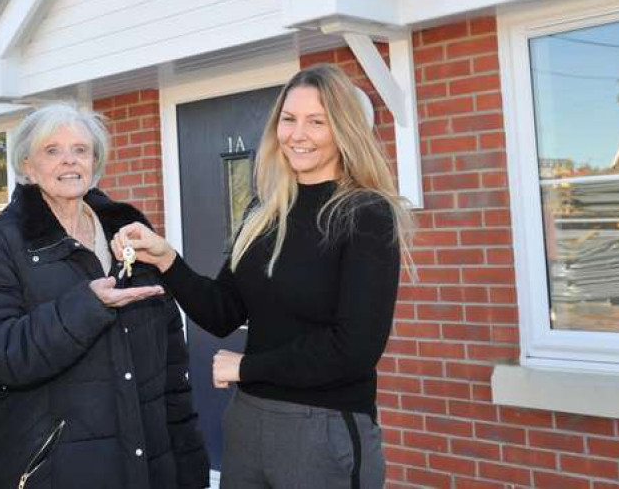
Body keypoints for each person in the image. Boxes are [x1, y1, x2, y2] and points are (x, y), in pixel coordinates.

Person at [112, 64, 413, 489]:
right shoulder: (264, 211)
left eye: (316, 121)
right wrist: (167, 261)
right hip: (248, 421)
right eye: (289, 119)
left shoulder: (365, 214)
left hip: (322, 429)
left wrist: (247, 367)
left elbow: (355, 349)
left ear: (344, 129)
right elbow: (222, 311)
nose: (298, 134)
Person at [0, 102, 209, 489]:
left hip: (147, 467)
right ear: (27, 165)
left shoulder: (129, 232)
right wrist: (87, 307)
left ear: (96, 161)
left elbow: (171, 367)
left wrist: (189, 466)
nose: (69, 162)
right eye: (52, 150)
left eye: (80, 150)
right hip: (52, 470)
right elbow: (0, 352)